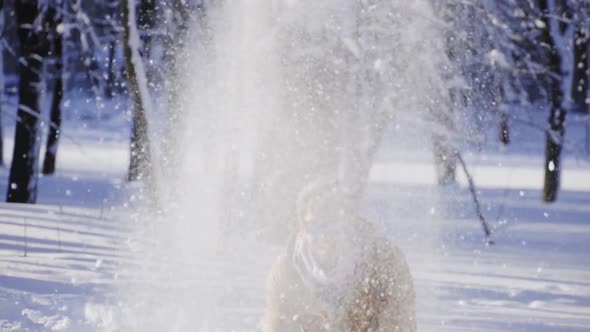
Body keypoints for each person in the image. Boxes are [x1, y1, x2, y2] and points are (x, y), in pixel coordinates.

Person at [263, 179, 417, 331]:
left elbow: (400, 326)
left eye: (333, 227)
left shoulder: (385, 264)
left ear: (350, 226)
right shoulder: (285, 273)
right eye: (314, 226)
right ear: (301, 227)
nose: (324, 236)